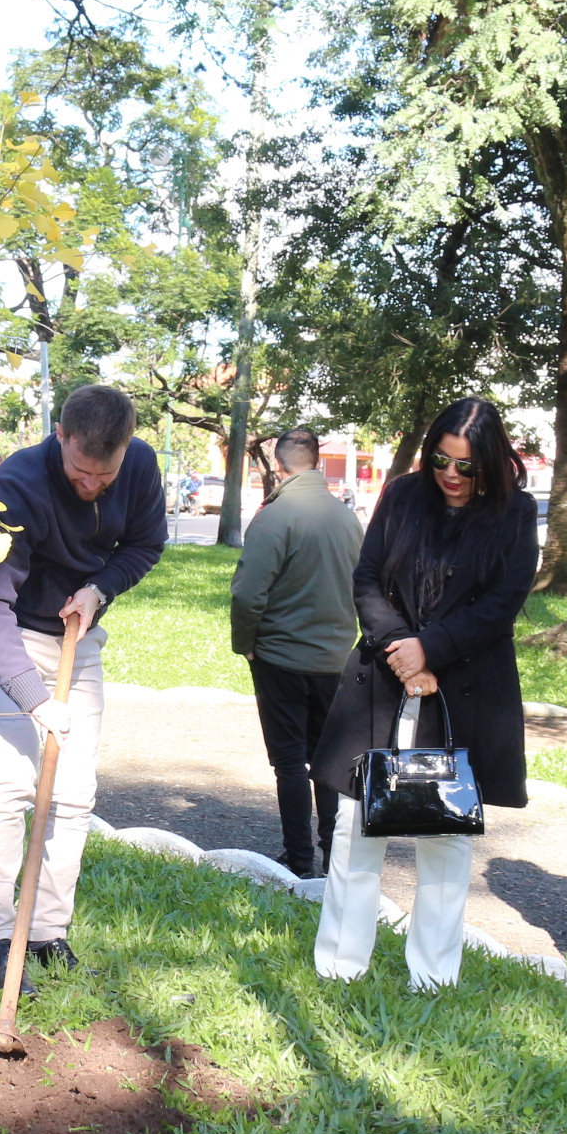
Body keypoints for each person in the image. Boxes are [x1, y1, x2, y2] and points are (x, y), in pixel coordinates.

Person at [308, 397, 535, 989]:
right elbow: (367, 579)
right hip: (383, 680)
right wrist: (402, 650)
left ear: (490, 463)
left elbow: (500, 606)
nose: (452, 476)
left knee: (445, 836)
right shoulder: (404, 496)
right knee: (355, 825)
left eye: (466, 466)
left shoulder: (516, 514)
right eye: (441, 460)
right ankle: (338, 968)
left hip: (465, 692)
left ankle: (432, 978)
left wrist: (431, 650)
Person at [0, 382, 167, 990]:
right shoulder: (13, 489)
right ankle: (0, 937)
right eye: (81, 472)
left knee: (75, 793)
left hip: (78, 635)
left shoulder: (139, 466)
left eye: (103, 477)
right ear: (61, 436)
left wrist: (100, 588)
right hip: (13, 639)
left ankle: (49, 931)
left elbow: (145, 544)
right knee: (10, 784)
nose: (91, 486)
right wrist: (34, 698)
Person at [228, 428, 361, 880]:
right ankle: (333, 859)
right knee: (326, 764)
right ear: (318, 463)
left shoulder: (273, 517)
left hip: (281, 657)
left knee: (288, 762)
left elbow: (248, 594)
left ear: (278, 467)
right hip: (336, 659)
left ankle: (299, 860)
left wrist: (245, 643)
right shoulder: (348, 519)